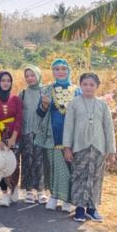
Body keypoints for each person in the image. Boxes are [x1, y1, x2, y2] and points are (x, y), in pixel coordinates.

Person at [63, 73, 116, 223]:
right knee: (79, 177)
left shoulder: (102, 105)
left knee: (96, 178)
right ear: (80, 85)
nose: (88, 87)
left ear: (97, 87)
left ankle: (92, 209)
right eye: (85, 84)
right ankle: (80, 209)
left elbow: (108, 128)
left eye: (92, 85)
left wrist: (111, 151)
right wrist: (67, 147)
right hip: (80, 147)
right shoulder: (74, 103)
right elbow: (68, 127)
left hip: (99, 148)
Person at [36, 58, 80, 212]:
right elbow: (39, 113)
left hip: (72, 137)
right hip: (52, 136)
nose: (60, 72)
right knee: (52, 166)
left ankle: (68, 199)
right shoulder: (47, 90)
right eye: (56, 69)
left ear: (68, 70)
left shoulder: (77, 90)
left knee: (70, 167)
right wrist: (45, 105)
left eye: (63, 69)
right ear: (52, 72)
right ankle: (54, 196)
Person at [0, 71, 23, 207]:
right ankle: (4, 194)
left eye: (8, 80)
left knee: (14, 164)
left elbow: (19, 119)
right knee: (0, 165)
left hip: (14, 135)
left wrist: (13, 137)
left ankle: (14, 188)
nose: (6, 83)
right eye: (3, 80)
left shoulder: (16, 99)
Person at [19, 66, 47, 204]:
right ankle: (29, 190)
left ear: (38, 75)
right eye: (27, 76)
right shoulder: (22, 93)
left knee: (40, 161)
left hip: (41, 132)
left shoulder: (45, 91)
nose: (30, 78)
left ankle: (41, 190)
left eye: (32, 75)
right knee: (27, 160)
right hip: (26, 132)